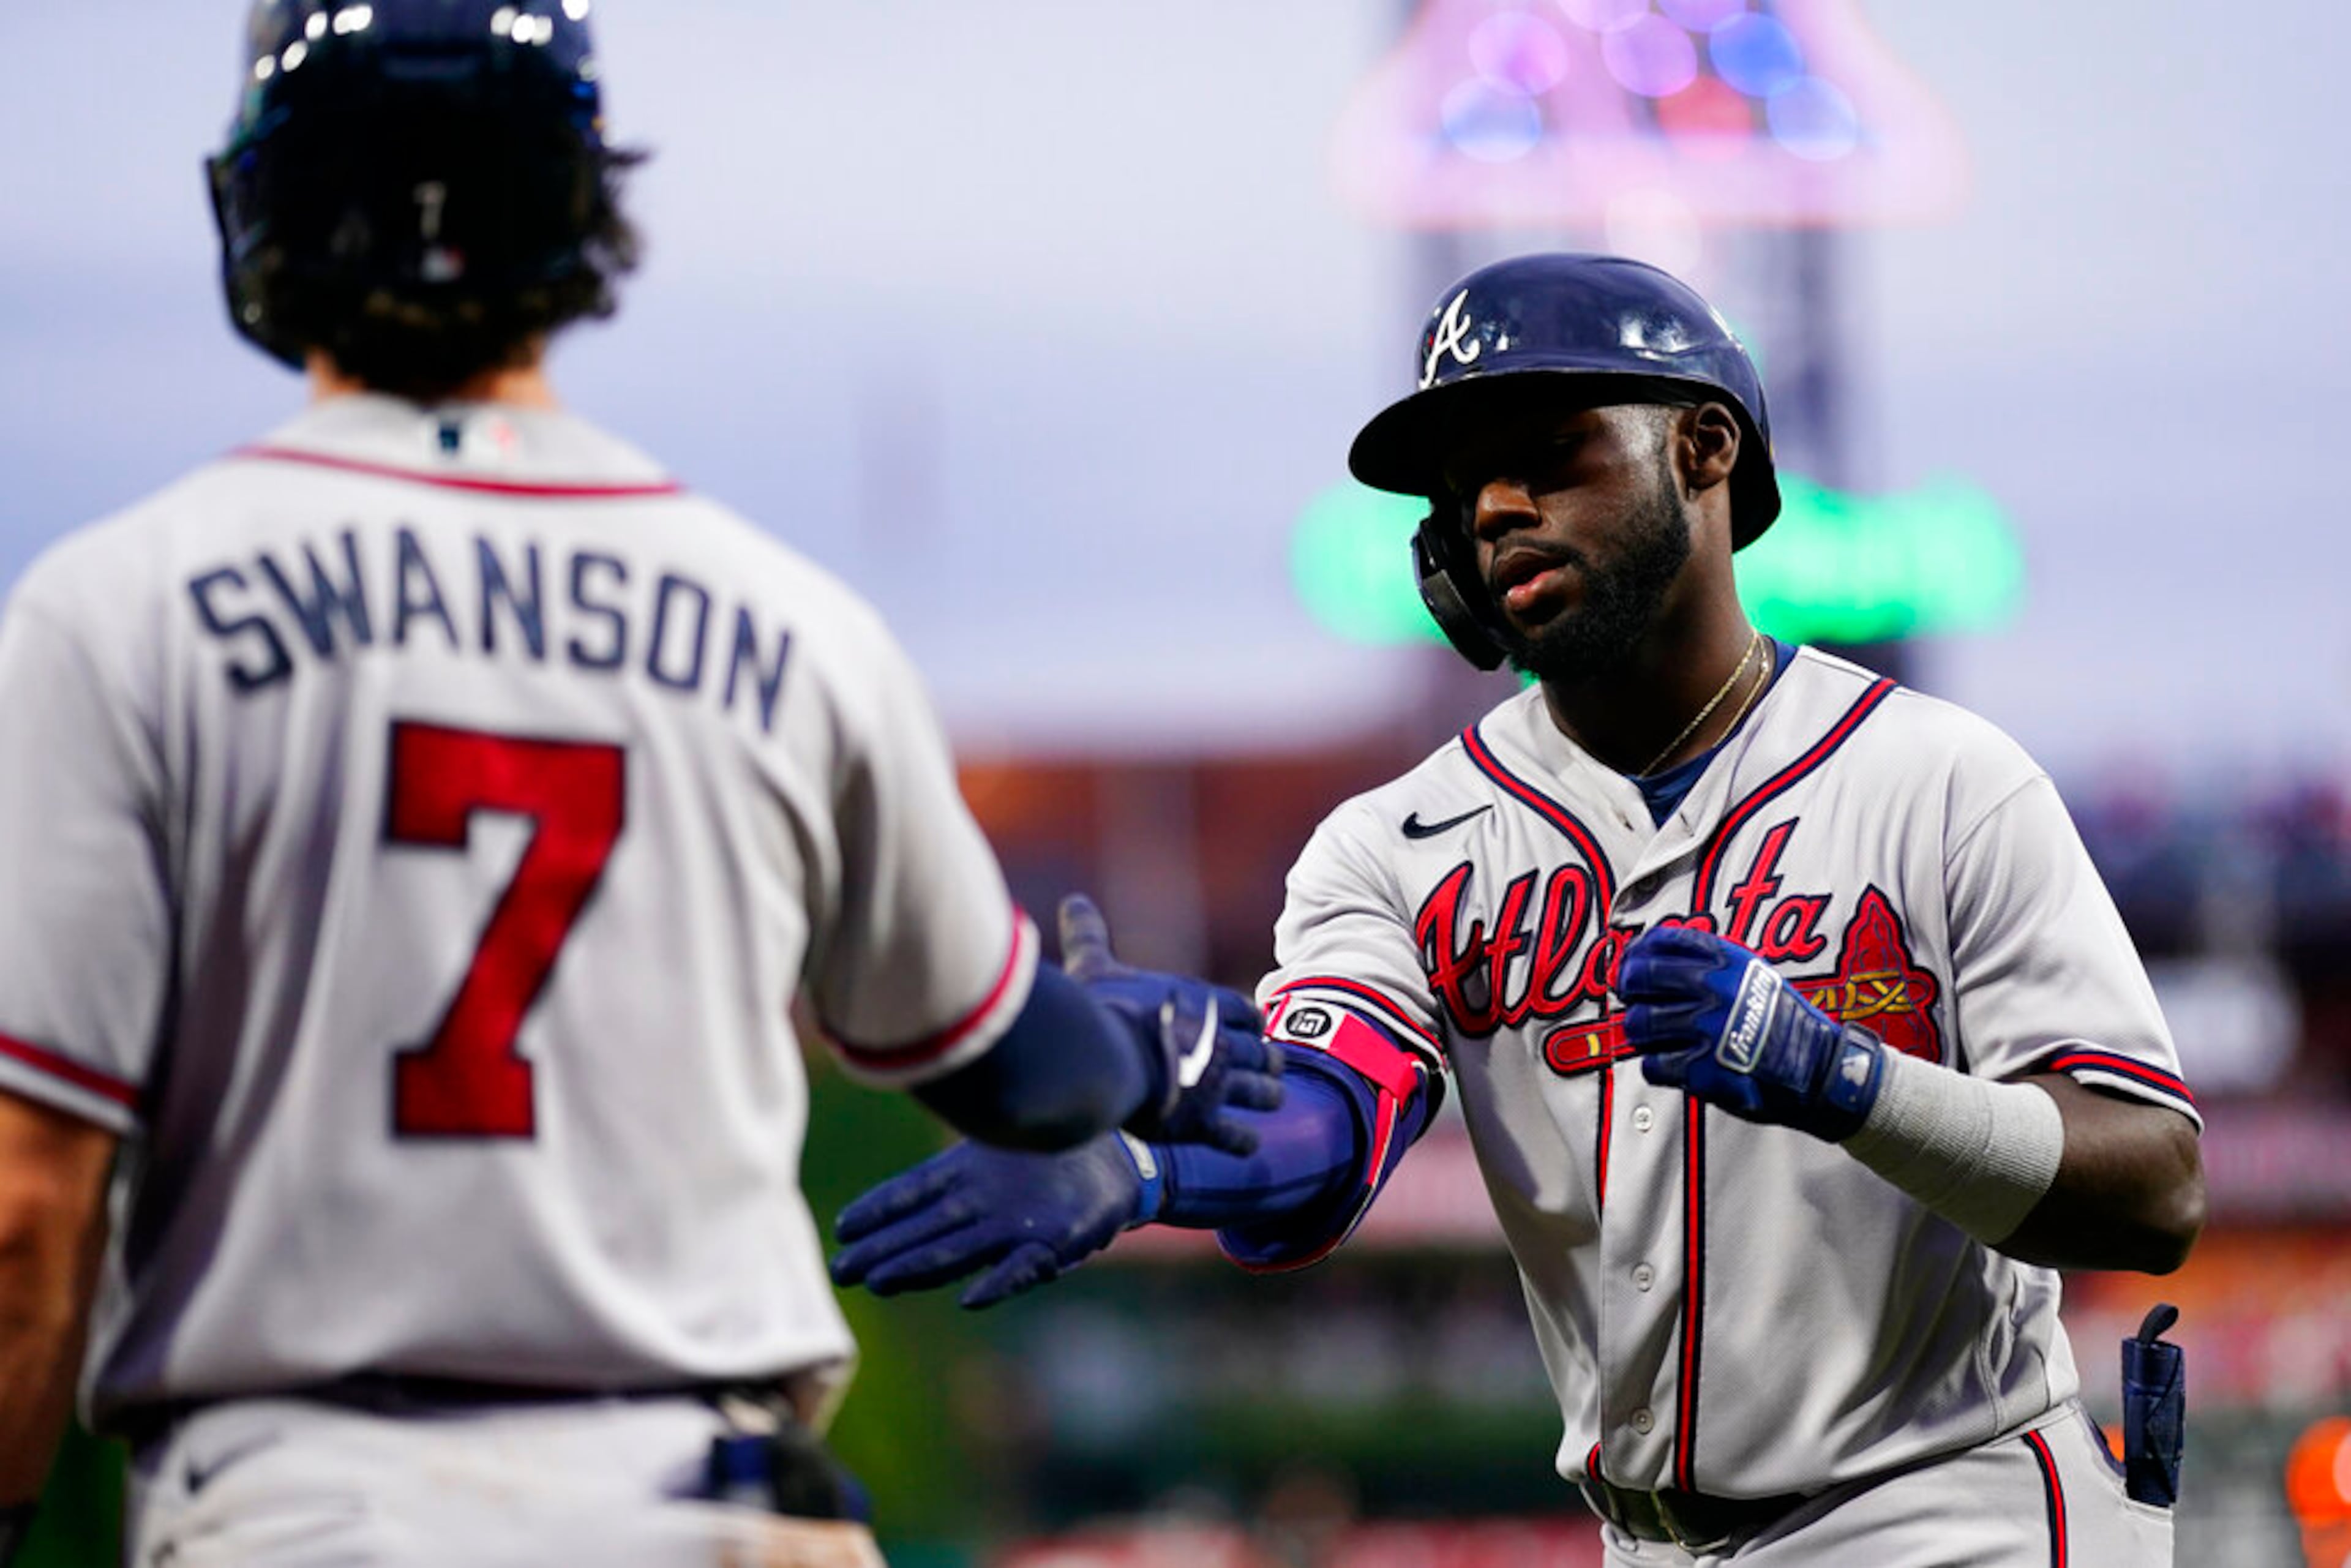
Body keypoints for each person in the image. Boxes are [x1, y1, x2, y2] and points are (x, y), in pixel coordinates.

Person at [0, 5, 1280, 1566]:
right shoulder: (789, 623)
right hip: (702, 1511)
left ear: (259, 205)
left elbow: (25, 1201)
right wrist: (1146, 1056)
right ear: (587, 211)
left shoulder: (119, 606)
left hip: (301, 1505)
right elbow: (1017, 1068)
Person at [832, 253, 2208, 1565]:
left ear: (1703, 449)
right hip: (1640, 1544)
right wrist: (1152, 1141)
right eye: (1460, 483)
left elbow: (2154, 1188)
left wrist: (1840, 1078)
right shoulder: (1399, 846)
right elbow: (1325, 1135)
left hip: (1958, 1517)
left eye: (1548, 452)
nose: (1494, 507)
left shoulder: (1942, 782)